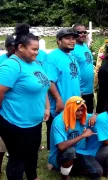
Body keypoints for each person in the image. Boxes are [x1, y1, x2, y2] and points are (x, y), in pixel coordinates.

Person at [0, 23, 50, 180]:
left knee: (32, 153)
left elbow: (43, 85)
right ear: (20, 47)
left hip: (34, 122)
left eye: (38, 49)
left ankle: (32, 177)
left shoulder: (33, 63)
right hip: (16, 123)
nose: (37, 52)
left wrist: (47, 107)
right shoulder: (11, 66)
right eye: (34, 49)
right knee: (17, 159)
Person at [43, 28, 81, 150]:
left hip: (73, 102)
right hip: (60, 103)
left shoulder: (72, 56)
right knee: (54, 127)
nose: (72, 41)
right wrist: (58, 99)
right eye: (68, 38)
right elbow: (49, 81)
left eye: (73, 38)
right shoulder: (52, 57)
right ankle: (52, 157)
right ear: (59, 40)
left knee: (68, 129)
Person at [48, 96, 102, 180]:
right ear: (70, 109)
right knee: (70, 151)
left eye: (82, 110)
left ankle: (74, 170)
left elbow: (101, 116)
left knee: (98, 172)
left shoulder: (84, 116)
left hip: (81, 153)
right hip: (60, 155)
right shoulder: (59, 121)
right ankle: (65, 175)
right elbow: (61, 147)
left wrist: (95, 115)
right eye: (77, 110)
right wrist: (82, 136)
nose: (80, 113)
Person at [72, 24, 94, 113]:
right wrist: (78, 90)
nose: (83, 34)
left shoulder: (85, 46)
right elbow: (73, 71)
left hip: (89, 90)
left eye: (84, 32)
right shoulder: (73, 49)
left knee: (89, 116)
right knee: (79, 117)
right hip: (80, 92)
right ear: (73, 34)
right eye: (79, 32)